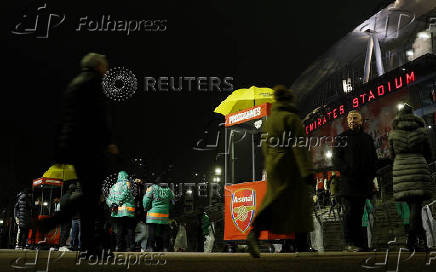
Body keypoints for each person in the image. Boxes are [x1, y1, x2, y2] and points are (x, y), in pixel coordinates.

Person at [37, 53, 118, 255]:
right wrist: (108, 141)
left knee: (88, 197)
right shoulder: (94, 84)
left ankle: (88, 246)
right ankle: (56, 224)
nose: (107, 68)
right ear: (98, 66)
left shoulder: (75, 84)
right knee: (90, 196)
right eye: (104, 65)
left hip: (75, 147)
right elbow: (100, 116)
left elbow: (65, 118)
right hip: (91, 146)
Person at [246, 85, 314, 258]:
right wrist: (306, 171)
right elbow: (299, 146)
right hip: (291, 167)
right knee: (299, 206)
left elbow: (264, 146)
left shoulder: (269, 121)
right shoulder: (291, 118)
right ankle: (302, 244)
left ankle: (255, 230)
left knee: (274, 202)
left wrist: (270, 163)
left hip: (273, 166)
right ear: (290, 100)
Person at [388, 103, 434, 251]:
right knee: (416, 207)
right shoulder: (421, 132)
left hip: (401, 170)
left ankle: (413, 239)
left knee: (412, 207)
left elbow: (392, 155)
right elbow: (429, 153)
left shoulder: (394, 134)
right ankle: (416, 239)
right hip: (418, 169)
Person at [333, 110, 378, 252]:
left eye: (355, 118)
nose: (352, 120)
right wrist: (347, 171)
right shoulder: (341, 138)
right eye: (350, 119)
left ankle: (361, 244)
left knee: (359, 214)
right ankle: (349, 242)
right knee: (350, 213)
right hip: (349, 183)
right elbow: (336, 159)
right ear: (347, 122)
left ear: (361, 120)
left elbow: (373, 159)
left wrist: (371, 176)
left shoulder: (367, 138)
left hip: (364, 183)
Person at [106, 171, 136, 251]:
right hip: (128, 210)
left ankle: (119, 246)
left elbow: (108, 198)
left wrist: (112, 204)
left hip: (117, 211)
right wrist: (118, 202)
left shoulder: (113, 186)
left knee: (120, 229)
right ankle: (131, 246)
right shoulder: (127, 184)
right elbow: (125, 193)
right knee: (130, 229)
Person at [143, 180, 175, 252]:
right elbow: (173, 202)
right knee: (164, 232)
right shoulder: (169, 190)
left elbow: (146, 200)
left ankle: (150, 247)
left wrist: (146, 208)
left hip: (153, 214)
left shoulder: (152, 188)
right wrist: (168, 209)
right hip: (164, 215)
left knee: (152, 231)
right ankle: (165, 248)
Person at [58, 183, 76, 251]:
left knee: (63, 230)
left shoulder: (64, 196)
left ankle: (61, 245)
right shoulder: (70, 196)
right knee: (66, 231)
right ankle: (62, 245)